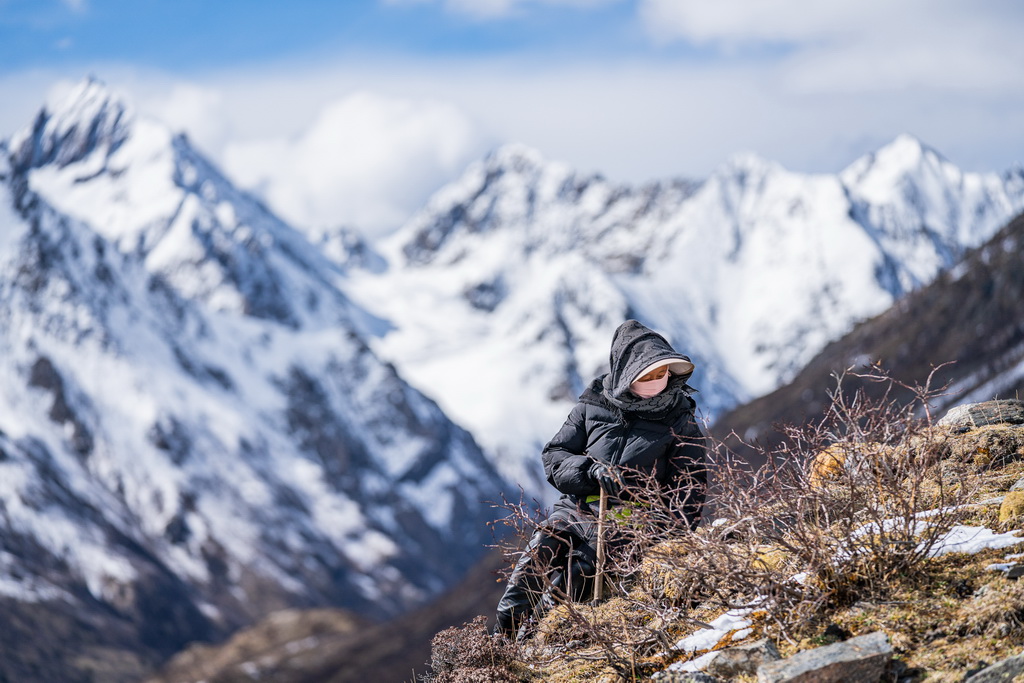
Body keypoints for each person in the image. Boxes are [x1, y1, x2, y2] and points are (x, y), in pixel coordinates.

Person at [494, 319, 707, 639]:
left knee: (575, 578)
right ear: (625, 374)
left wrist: (661, 535)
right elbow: (555, 455)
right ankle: (501, 646)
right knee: (532, 567)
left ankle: (540, 642)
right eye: (647, 375)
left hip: (635, 520)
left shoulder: (681, 420)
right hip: (576, 508)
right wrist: (588, 471)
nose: (656, 381)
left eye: (661, 373)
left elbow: (689, 489)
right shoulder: (592, 405)